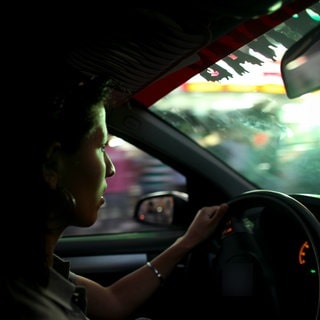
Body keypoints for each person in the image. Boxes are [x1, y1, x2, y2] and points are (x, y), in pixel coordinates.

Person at [1, 25, 228, 320]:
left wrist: (186, 242)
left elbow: (113, 301)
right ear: (52, 164)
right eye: (101, 147)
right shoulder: (30, 304)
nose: (111, 168)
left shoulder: (33, 269)